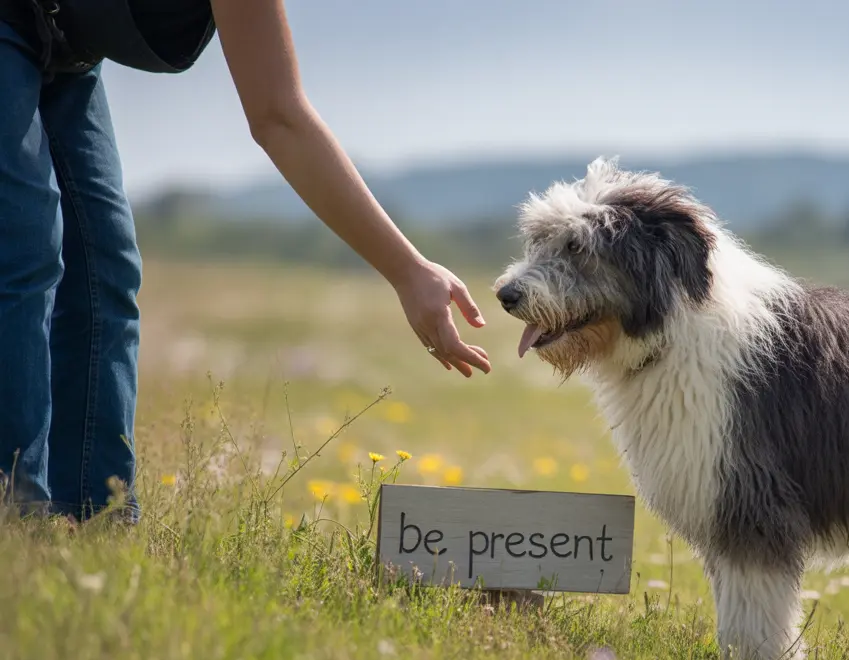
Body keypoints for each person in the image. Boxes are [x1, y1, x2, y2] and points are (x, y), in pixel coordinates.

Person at [0, 0, 492, 524]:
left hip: (67, 48)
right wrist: (409, 272)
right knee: (25, 249)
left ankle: (98, 519)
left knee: (108, 271)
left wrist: (409, 271)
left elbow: (277, 110)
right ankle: (14, 516)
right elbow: (280, 120)